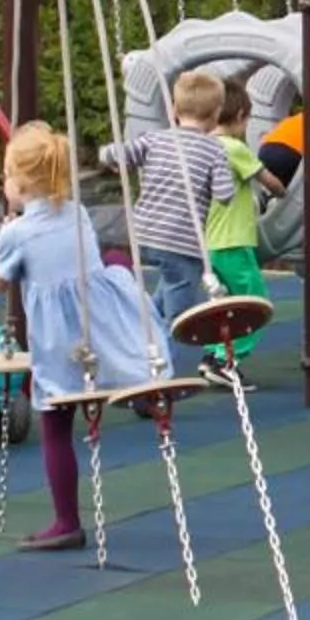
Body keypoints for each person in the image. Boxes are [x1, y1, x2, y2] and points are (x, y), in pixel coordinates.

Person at [0, 122, 163, 553]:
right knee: (117, 273)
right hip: (96, 325)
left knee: (55, 426)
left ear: (21, 184)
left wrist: (4, 238)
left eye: (6, 174)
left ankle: (67, 521)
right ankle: (145, 383)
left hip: (57, 341)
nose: (3, 182)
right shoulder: (78, 214)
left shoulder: (15, 233)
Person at [97, 70, 234, 371]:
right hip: (181, 242)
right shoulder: (215, 149)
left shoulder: (155, 139)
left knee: (165, 294)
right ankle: (158, 372)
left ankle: (138, 333)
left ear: (174, 109)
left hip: (144, 235)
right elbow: (225, 195)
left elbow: (111, 155)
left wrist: (111, 158)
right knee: (181, 317)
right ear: (216, 115)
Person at [199, 78, 269, 388]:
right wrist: (283, 191)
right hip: (233, 242)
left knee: (221, 304)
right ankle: (227, 360)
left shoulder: (201, 147)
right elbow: (267, 179)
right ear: (240, 115)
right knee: (254, 302)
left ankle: (213, 354)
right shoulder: (235, 148)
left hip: (208, 244)